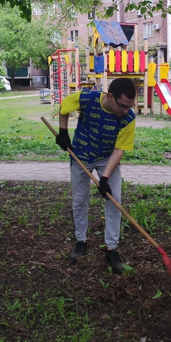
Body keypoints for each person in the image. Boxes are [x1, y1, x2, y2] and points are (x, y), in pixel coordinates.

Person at [56, 77, 136, 272]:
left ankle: (112, 249)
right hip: (81, 155)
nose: (126, 110)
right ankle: (81, 240)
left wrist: (106, 178)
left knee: (114, 200)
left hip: (107, 158)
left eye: (130, 106)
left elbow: (119, 149)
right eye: (123, 105)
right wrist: (63, 131)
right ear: (110, 97)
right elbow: (64, 107)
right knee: (80, 200)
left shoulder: (128, 118)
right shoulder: (86, 99)